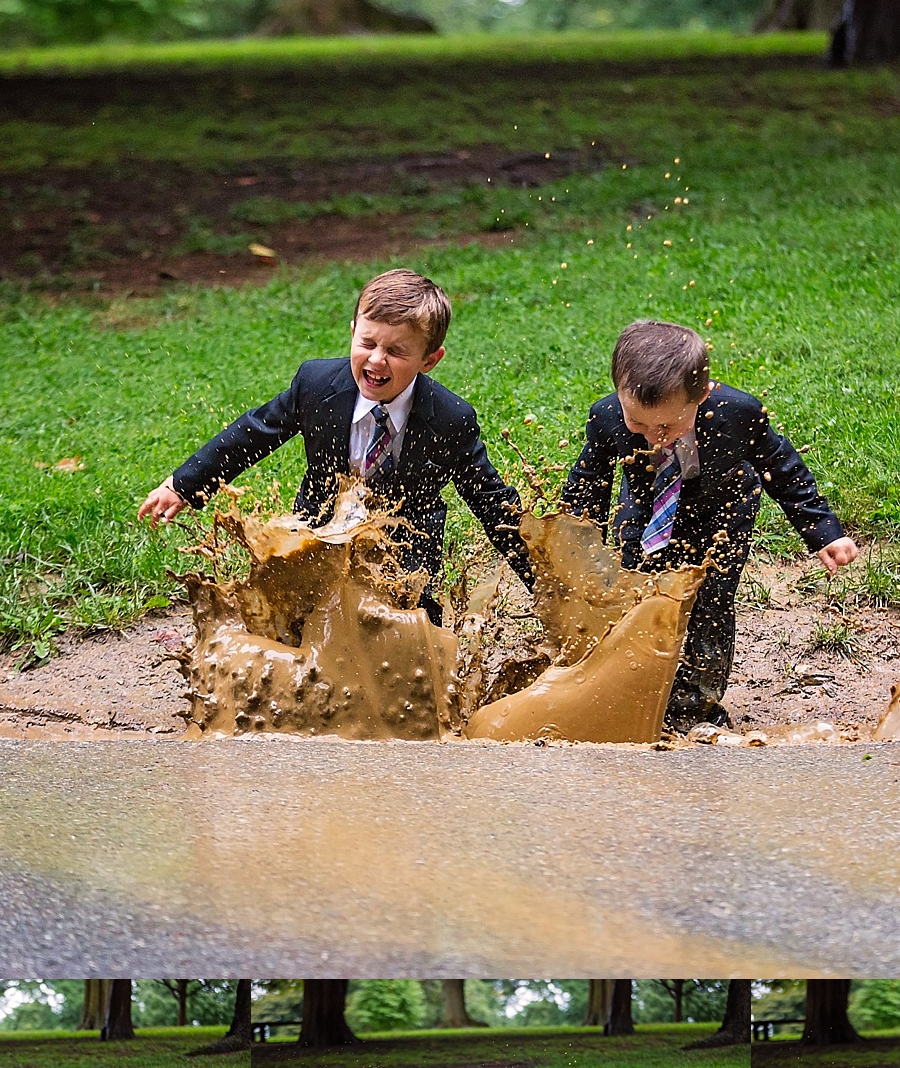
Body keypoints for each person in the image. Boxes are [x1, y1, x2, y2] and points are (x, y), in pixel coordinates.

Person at [137, 267, 533, 623]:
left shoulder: (449, 419)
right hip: (319, 525)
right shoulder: (317, 385)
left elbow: (490, 500)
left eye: (396, 351)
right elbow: (255, 432)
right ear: (353, 331)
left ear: (429, 360)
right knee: (297, 619)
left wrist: (545, 585)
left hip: (407, 547)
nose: (376, 360)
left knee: (405, 636)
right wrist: (183, 484)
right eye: (368, 343)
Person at [561, 320, 858, 731]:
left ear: (700, 395)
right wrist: (571, 545)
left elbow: (783, 469)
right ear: (618, 393)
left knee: (710, 607)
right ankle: (638, 695)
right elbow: (587, 487)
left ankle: (694, 709)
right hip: (644, 519)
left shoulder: (739, 413)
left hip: (722, 518)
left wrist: (823, 529)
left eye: (666, 426)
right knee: (638, 600)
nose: (654, 437)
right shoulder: (608, 416)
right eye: (640, 426)